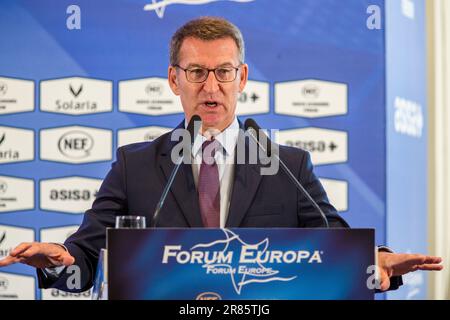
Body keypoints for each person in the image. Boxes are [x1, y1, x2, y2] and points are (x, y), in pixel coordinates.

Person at [0, 17, 443, 294]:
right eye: (196, 72)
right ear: (174, 79)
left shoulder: (288, 167)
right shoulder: (134, 165)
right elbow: (87, 254)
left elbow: (332, 245)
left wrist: (375, 261)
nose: (210, 87)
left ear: (242, 76)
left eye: (223, 72)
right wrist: (59, 257)